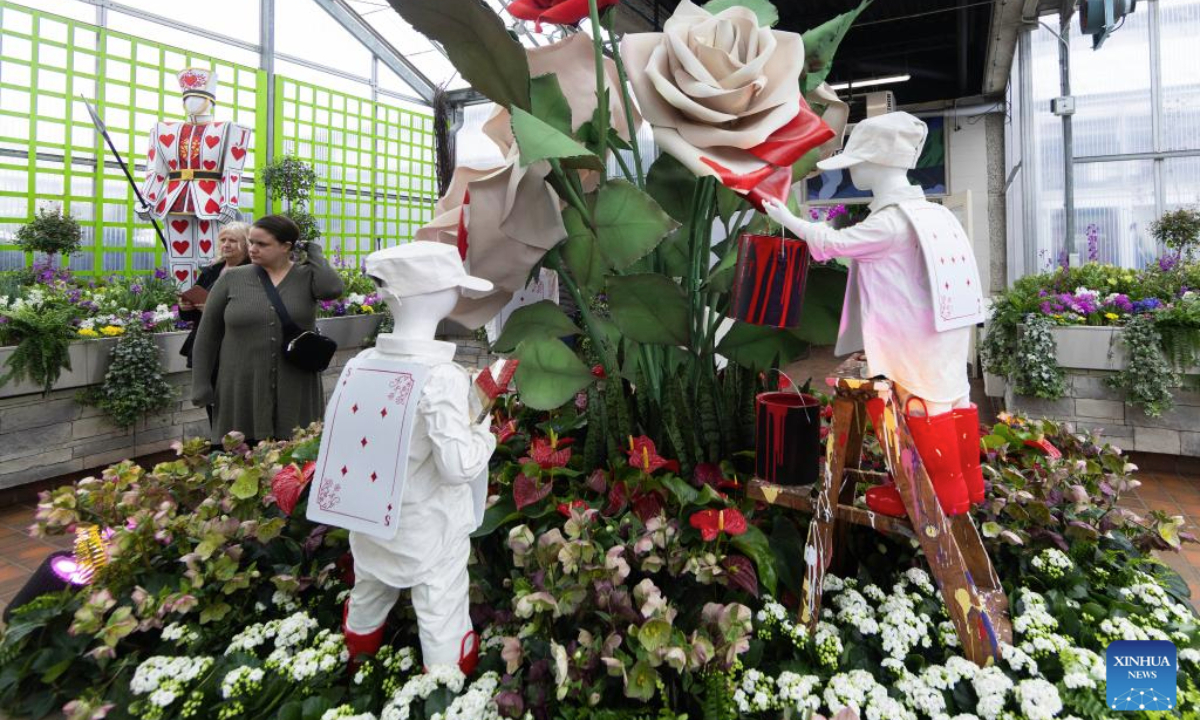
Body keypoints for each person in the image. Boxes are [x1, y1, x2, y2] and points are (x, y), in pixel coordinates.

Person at [762, 111, 986, 518]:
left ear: (878, 163)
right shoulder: (934, 212)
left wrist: (786, 218)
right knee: (952, 400)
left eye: (858, 161)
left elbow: (832, 243)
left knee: (918, 409)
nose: (852, 171)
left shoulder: (890, 223)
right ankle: (965, 485)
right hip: (945, 335)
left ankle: (928, 496)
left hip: (912, 341)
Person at [331, 242, 496, 673]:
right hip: (430, 526)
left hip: (370, 517)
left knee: (368, 593)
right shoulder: (441, 377)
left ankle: (355, 667)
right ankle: (443, 688)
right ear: (440, 295)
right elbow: (457, 466)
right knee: (441, 610)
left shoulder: (362, 362)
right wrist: (484, 432)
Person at [191, 215, 344, 445]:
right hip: (241, 386)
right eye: (251, 242)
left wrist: (314, 252)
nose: (252, 249)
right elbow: (207, 335)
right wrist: (201, 384)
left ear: (286, 247)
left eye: (262, 244)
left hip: (296, 385)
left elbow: (332, 289)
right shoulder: (232, 279)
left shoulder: (306, 277)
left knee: (296, 456)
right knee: (239, 457)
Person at [178, 221, 251, 368]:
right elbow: (190, 315)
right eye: (223, 240)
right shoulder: (211, 271)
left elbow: (250, 311)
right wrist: (185, 307)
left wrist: (211, 310)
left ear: (246, 244)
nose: (226, 245)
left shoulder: (251, 273)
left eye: (232, 240)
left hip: (232, 344)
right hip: (204, 341)